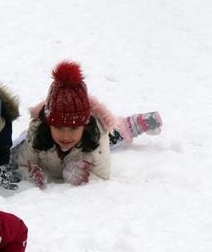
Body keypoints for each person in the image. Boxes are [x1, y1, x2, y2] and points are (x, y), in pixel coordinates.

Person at [10, 60, 163, 188]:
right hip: (44, 136)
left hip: (91, 138)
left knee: (113, 134)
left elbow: (103, 175)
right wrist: (30, 175)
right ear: (48, 124)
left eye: (73, 128)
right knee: (22, 142)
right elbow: (18, 164)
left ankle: (131, 124)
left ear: (85, 124)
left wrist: (83, 176)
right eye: (58, 127)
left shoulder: (96, 137)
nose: (65, 135)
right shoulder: (36, 134)